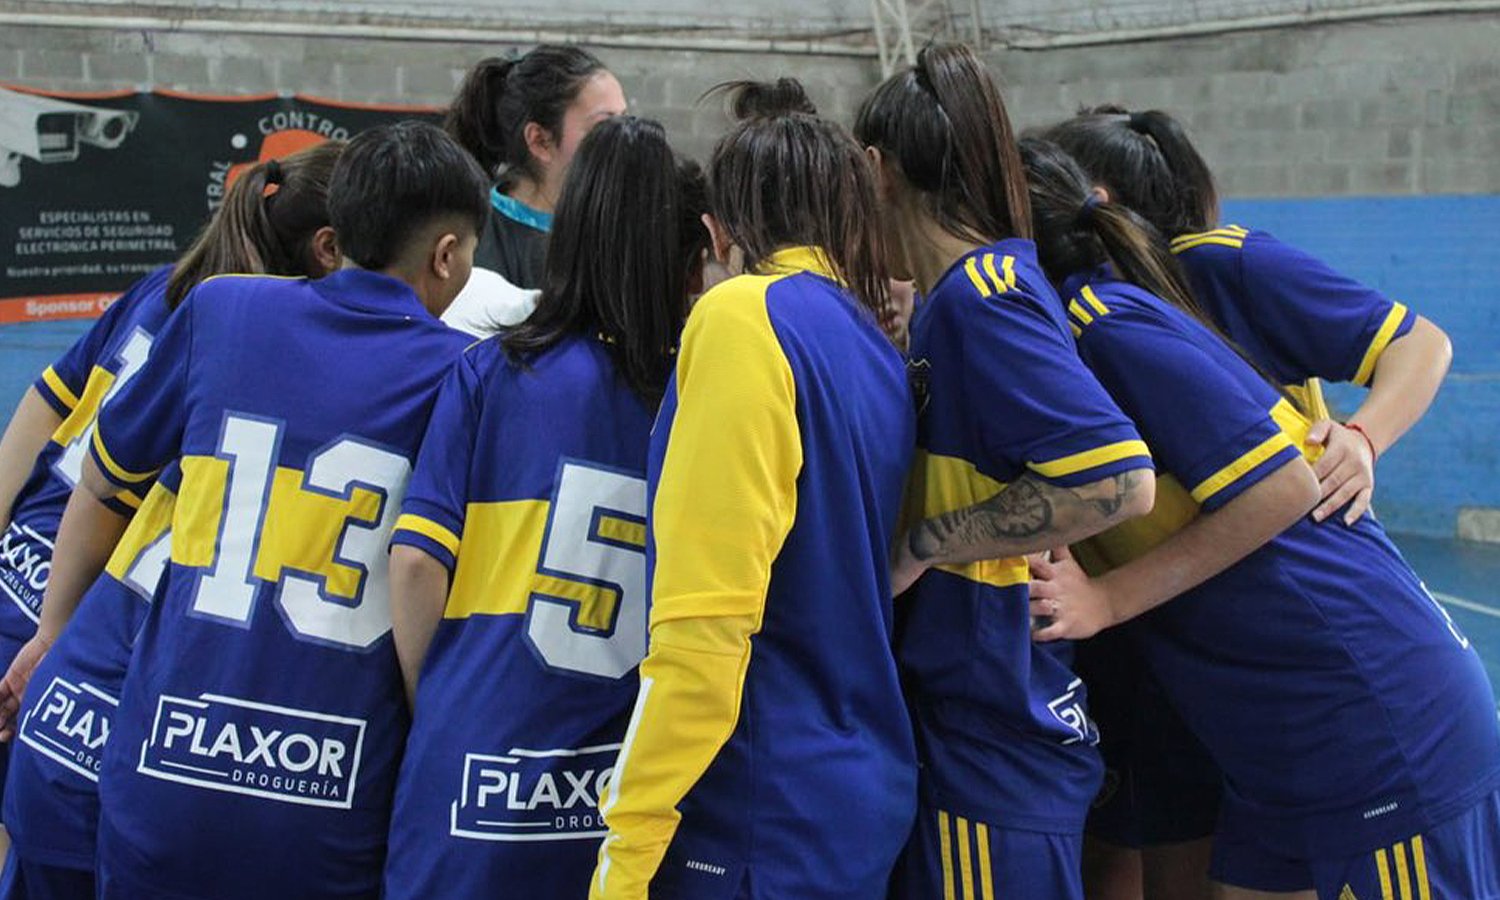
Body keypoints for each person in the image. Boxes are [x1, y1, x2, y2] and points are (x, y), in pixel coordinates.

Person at [1019, 135, 1500, 900]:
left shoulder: (1130, 309)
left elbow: (1284, 486)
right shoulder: (1083, 326)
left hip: (1366, 719)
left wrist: (1364, 435)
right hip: (1271, 739)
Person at [19, 120, 484, 900]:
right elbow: (422, 577)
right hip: (328, 799)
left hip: (160, 781)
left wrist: (53, 631)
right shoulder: (467, 374)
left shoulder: (219, 310)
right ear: (445, 254)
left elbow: (101, 484)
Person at [588, 78, 916, 900]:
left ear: (717, 232)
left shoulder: (742, 316)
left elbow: (706, 628)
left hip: (754, 804)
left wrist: (625, 854)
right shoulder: (874, 348)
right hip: (850, 794)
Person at [0, 142, 346, 900]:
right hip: (81, 629)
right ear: (330, 250)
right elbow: (127, 504)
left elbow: (46, 405)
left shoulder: (170, 289)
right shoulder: (250, 349)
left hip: (31, 597)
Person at [853, 43, 1156, 900]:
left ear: (877, 169)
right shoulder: (958, 297)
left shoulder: (984, 293)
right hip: (976, 733)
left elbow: (1115, 479)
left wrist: (924, 542)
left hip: (994, 738)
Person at [382, 115, 706, 900]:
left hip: (475, 782)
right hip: (626, 800)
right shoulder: (701, 396)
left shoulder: (491, 371)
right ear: (688, 252)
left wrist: (446, 708)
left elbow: (420, 560)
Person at [440, 46, 627, 335]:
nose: (624, 138)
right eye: (604, 125)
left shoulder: (623, 223)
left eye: (624, 119)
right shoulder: (476, 236)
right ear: (540, 140)